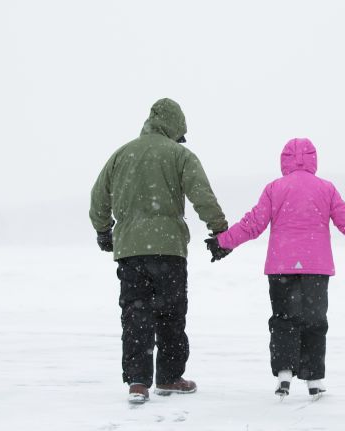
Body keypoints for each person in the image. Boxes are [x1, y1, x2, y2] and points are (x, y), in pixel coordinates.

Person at [205, 137, 345, 398]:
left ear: (284, 161)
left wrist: (224, 243)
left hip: (281, 265)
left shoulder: (275, 188)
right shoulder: (326, 189)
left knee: (284, 320)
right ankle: (314, 378)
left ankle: (284, 373)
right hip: (316, 267)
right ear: (313, 160)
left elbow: (253, 223)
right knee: (314, 321)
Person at [89, 98, 229, 404]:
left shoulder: (121, 154)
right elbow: (201, 194)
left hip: (130, 251)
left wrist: (103, 229)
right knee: (171, 314)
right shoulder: (179, 155)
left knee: (135, 313)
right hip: (168, 249)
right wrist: (219, 229)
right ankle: (169, 377)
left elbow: (98, 196)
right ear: (175, 127)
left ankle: (138, 382)